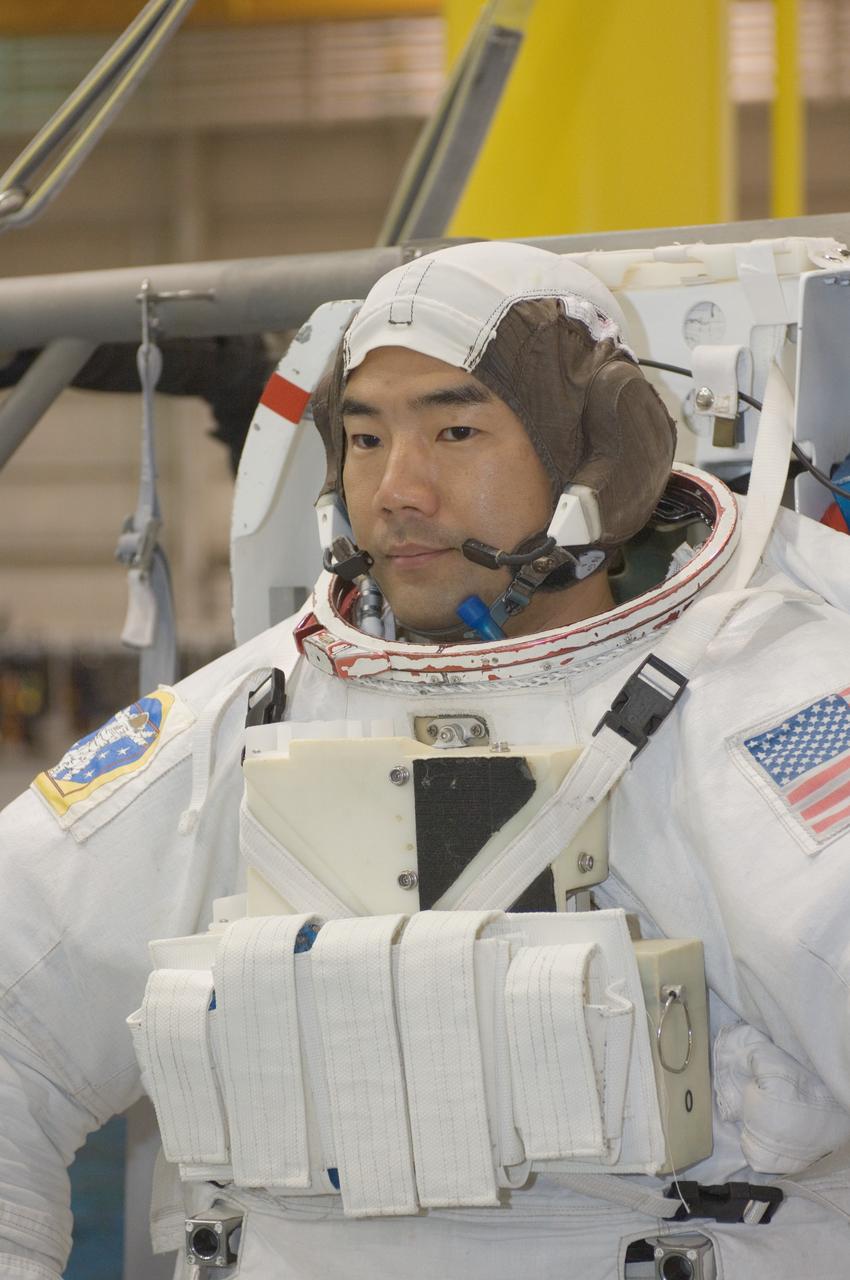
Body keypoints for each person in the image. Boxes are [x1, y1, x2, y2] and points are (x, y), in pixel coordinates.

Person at [2, 240, 850, 1280]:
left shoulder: (767, 703)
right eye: (362, 437)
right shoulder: (246, 714)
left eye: (455, 429)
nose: (396, 488)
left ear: (603, 455)